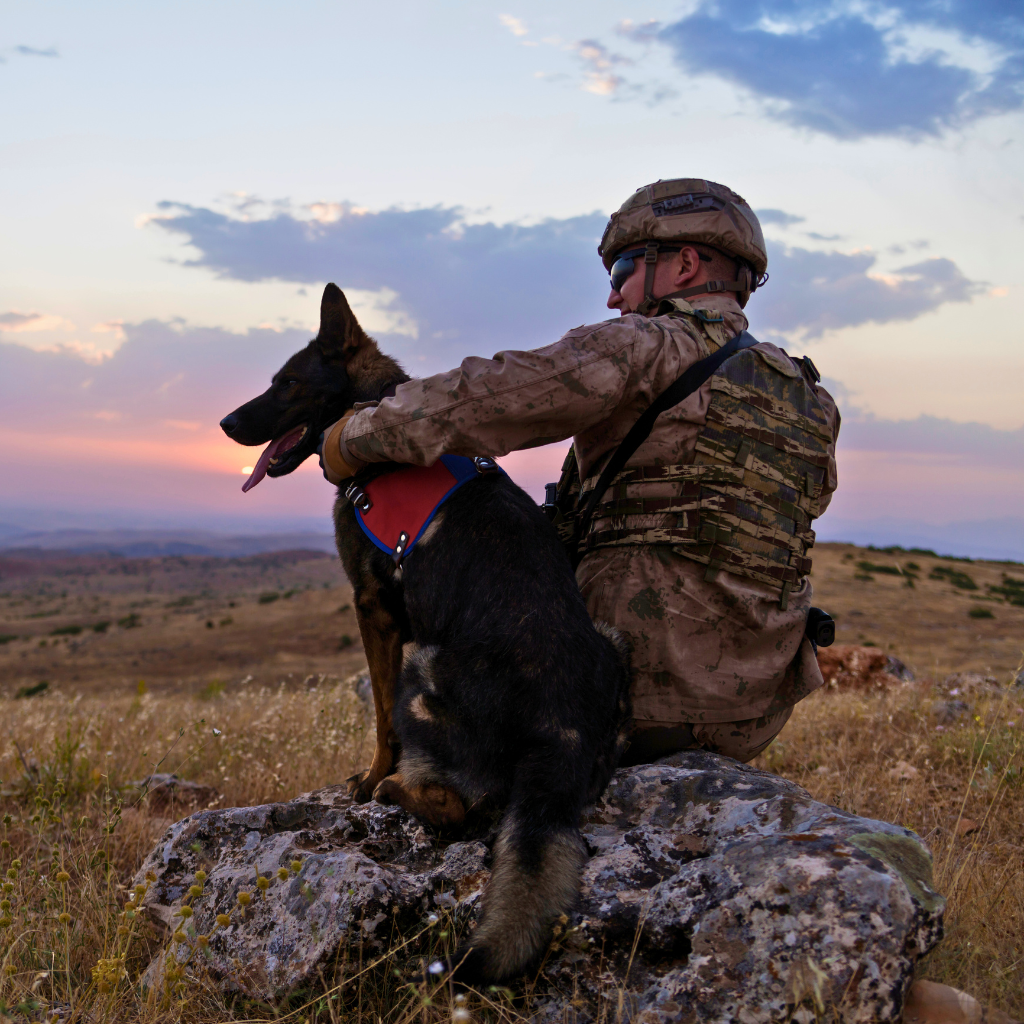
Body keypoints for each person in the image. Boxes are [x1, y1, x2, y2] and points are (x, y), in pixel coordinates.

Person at [319, 178, 840, 766]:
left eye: (620, 272)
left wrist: (353, 437)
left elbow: (489, 397)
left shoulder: (644, 346)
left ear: (686, 263)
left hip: (623, 700)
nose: (614, 298)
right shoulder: (808, 396)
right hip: (753, 714)